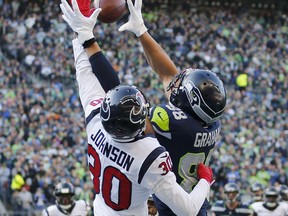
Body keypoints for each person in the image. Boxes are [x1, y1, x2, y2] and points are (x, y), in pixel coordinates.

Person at [59, 0, 214, 215]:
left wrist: (83, 34)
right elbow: (187, 210)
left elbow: (88, 74)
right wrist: (206, 180)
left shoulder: (95, 120)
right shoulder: (151, 153)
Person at [118, 0, 227, 215]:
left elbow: (128, 118)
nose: (177, 86)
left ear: (192, 101)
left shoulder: (170, 120)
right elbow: (168, 75)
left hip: (171, 207)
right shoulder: (210, 122)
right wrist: (142, 31)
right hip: (195, 199)